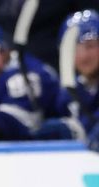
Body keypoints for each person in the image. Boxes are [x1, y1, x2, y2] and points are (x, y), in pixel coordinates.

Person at [35, 10, 99, 142]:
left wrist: (80, 129)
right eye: (75, 49)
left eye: (90, 46)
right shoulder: (67, 93)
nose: (84, 56)